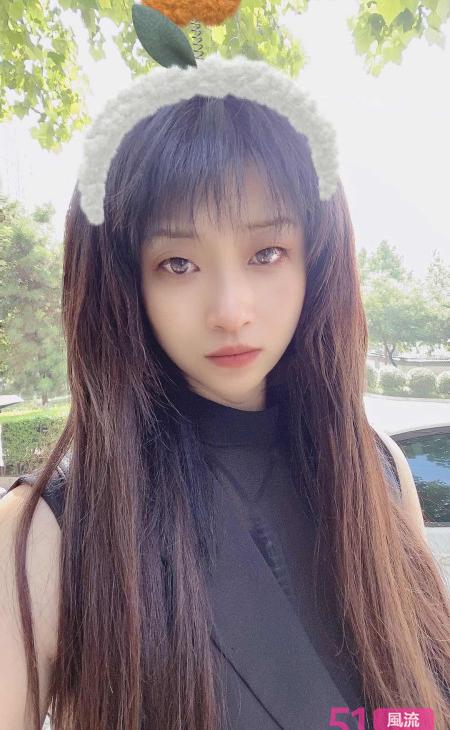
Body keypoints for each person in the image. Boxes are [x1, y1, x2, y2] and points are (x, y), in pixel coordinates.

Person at [0, 92, 449, 730]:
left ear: (316, 258)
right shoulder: (48, 534)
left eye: (266, 253)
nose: (231, 310)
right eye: (178, 263)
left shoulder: (379, 470)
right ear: (126, 281)